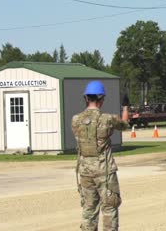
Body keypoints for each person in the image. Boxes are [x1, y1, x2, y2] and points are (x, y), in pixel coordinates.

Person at [72, 80, 129, 231]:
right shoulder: (108, 119)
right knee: (110, 208)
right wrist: (125, 107)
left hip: (85, 171)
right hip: (104, 171)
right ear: (101, 99)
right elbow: (124, 124)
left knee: (89, 210)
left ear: (86, 98)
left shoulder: (76, 120)